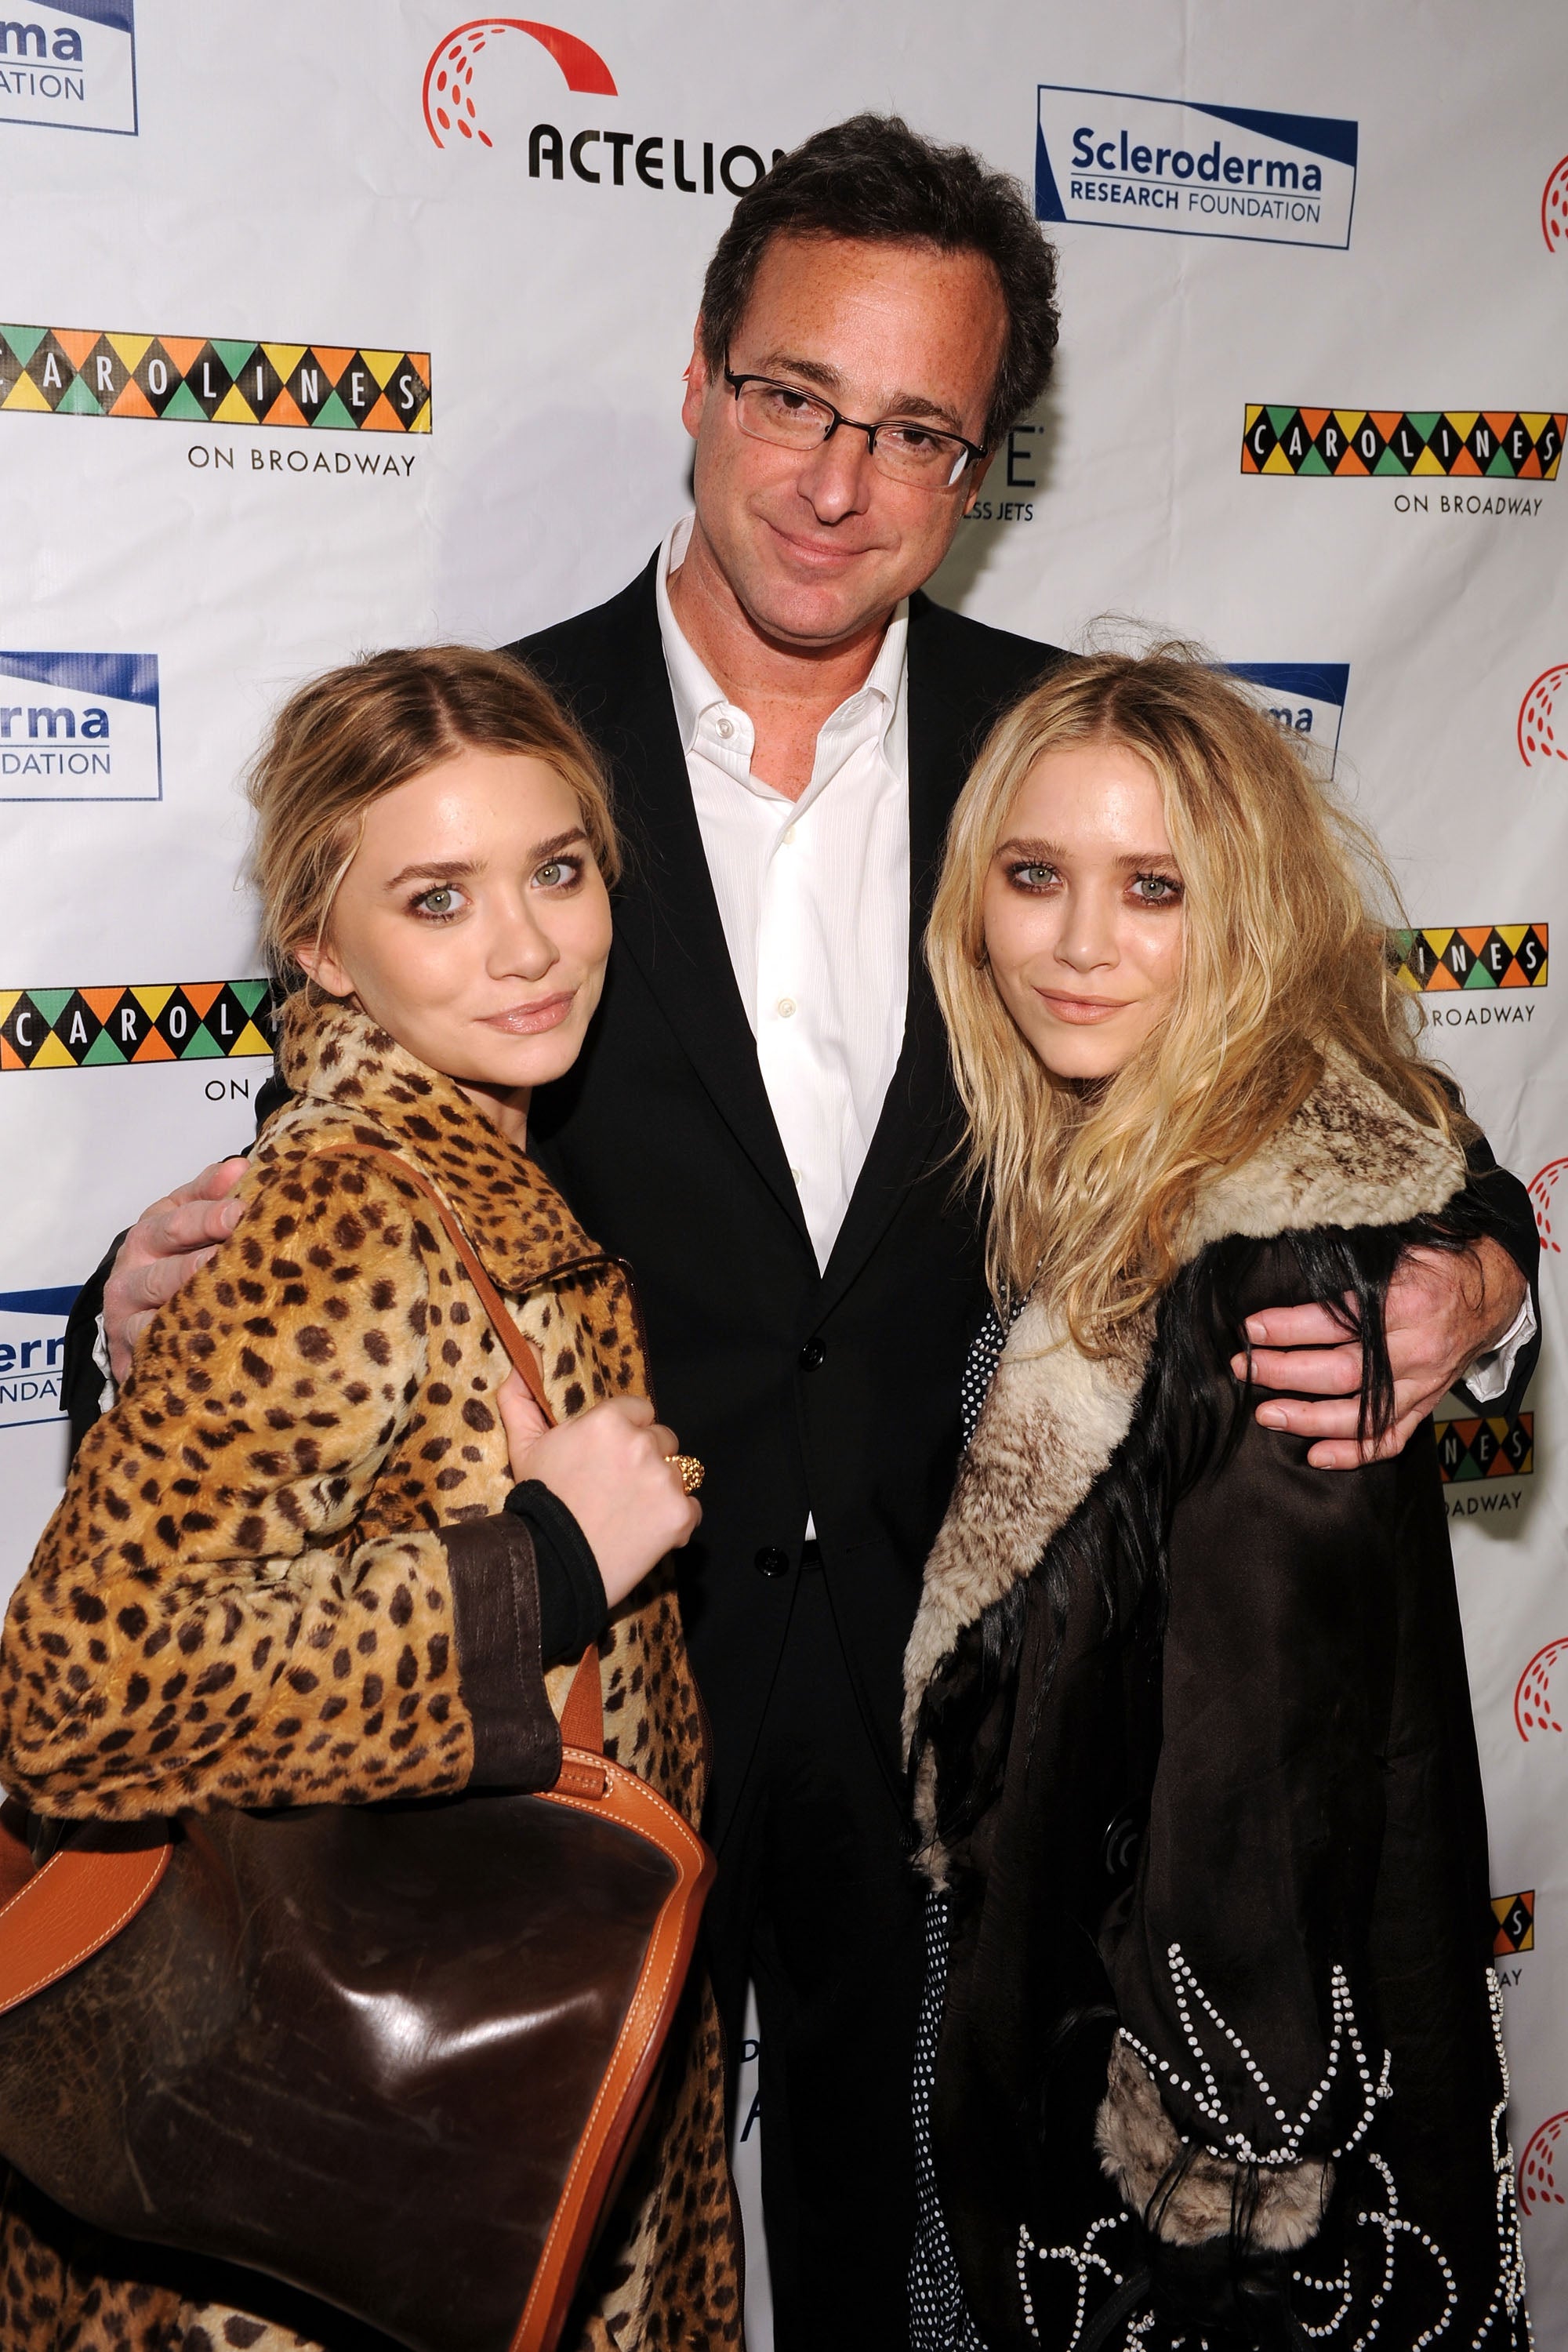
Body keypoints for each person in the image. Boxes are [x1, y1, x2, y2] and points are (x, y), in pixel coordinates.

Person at [69, 120, 1538, 2347]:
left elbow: (1326, 1084)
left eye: (917, 431)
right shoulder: (493, 752)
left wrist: (1486, 1280)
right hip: (570, 1710)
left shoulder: (1070, 773)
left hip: (960, 1727)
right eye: (792, 398)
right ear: (697, 374)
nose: (838, 482)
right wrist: (136, 1319)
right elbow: (334, 1182)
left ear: (984, 466)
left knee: (918, 2277)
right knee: (550, 2281)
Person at [0, 649, 739, 2352]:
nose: (528, 944)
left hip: (446, 2120)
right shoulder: (352, 1215)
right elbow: (74, 1696)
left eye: (557, 870)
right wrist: (542, 1572)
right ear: (323, 946)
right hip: (326, 2223)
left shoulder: (481, 1175)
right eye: (437, 898)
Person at [905, 648, 1530, 2352]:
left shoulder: (1269, 1246)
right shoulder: (1072, 1146)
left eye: (1152, 889)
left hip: (1167, 2100)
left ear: (1243, 911)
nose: (1080, 942)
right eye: (1034, 877)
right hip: (1049, 1978)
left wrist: (1225, 2136)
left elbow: (1264, 1767)